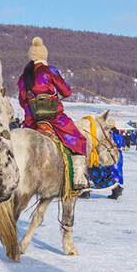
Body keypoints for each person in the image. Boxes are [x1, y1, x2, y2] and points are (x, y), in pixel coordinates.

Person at [17, 37, 89, 189]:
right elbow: (67, 92)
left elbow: (23, 102)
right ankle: (78, 178)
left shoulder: (24, 77)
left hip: (31, 121)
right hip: (54, 118)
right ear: (44, 56)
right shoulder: (50, 71)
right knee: (79, 140)